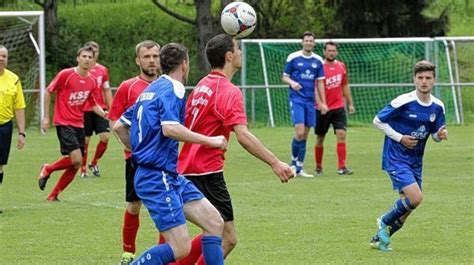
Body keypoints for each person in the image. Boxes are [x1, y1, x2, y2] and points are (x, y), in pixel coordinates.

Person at [177, 34, 294, 263]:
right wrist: (275, 162)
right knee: (227, 237)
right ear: (229, 56)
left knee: (212, 230)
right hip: (207, 173)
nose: (240, 53)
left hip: (185, 168)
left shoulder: (202, 85)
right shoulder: (229, 91)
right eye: (238, 49)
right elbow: (243, 135)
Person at [113, 43, 227, 265]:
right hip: (157, 177)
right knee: (180, 247)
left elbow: (119, 126)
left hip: (168, 175)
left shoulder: (150, 90)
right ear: (184, 64)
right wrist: (210, 140)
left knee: (214, 222)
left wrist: (139, 150)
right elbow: (170, 128)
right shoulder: (174, 88)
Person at [370, 60, 448, 251]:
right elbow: (378, 120)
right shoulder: (403, 101)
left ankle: (379, 239)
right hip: (395, 157)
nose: (424, 82)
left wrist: (439, 135)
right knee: (415, 198)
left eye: (428, 78)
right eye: (420, 78)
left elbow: (435, 135)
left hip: (415, 161)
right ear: (414, 79)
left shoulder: (438, 107)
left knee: (407, 209)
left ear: (434, 81)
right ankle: (383, 221)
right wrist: (400, 138)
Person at [107, 40, 161, 264]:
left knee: (164, 206)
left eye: (156, 56)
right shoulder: (128, 87)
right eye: (147, 56)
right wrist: (131, 147)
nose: (152, 61)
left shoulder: (167, 85)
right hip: (135, 159)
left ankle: (165, 252)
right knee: (133, 205)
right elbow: (114, 120)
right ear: (138, 60)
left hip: (162, 159)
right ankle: (128, 253)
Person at [37, 46, 107, 201]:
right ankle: (48, 168)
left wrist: (105, 114)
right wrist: (46, 117)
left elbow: (93, 103)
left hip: (79, 124)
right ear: (78, 58)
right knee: (76, 159)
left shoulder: (92, 81)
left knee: (76, 164)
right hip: (63, 122)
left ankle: (53, 196)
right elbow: (48, 91)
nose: (87, 59)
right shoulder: (66, 75)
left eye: (90, 57)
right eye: (84, 56)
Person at [282, 31, 328, 178]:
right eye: (306, 40)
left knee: (306, 135)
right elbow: (284, 77)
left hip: (310, 102)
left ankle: (300, 167)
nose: (308, 43)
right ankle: (293, 163)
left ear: (314, 43)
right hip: (297, 100)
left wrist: (323, 102)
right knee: (299, 133)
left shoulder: (318, 60)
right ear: (301, 42)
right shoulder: (293, 58)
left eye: (311, 41)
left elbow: (320, 82)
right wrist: (292, 83)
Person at [314, 41, 355, 176]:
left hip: (338, 108)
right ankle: (318, 167)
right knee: (320, 138)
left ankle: (342, 167)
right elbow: (315, 88)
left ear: (336, 52)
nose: (331, 53)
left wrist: (350, 104)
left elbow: (345, 86)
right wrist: (320, 103)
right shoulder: (319, 67)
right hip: (322, 109)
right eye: (329, 50)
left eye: (334, 51)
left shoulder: (341, 66)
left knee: (341, 135)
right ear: (324, 52)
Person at [80, 41, 113, 178]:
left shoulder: (102, 70)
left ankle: (94, 162)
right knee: (85, 141)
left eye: (96, 50)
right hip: (85, 109)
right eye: (90, 51)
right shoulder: (82, 70)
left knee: (105, 137)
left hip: (100, 108)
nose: (93, 54)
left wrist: (112, 109)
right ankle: (82, 169)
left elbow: (106, 89)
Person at [0, 45, 26, 214]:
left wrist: (22, 132)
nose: (1, 58)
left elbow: (19, 107)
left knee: (0, 166)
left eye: (4, 56)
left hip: (4, 127)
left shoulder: (14, 79)